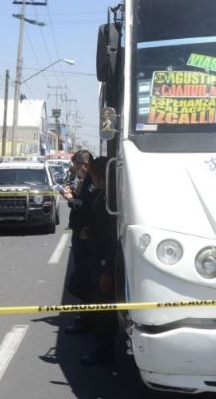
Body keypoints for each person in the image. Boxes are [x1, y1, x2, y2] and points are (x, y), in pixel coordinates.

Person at [78, 156, 119, 366]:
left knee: (104, 311)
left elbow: (110, 237)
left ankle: (104, 352)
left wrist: (105, 270)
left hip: (103, 263)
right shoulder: (103, 195)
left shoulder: (109, 199)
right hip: (97, 259)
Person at [59, 149, 96, 334]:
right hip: (81, 232)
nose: (76, 170)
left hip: (86, 235)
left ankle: (87, 319)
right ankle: (86, 316)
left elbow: (86, 207)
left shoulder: (93, 183)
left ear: (85, 165)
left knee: (83, 278)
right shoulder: (87, 181)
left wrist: (71, 199)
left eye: (77, 166)